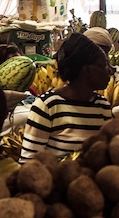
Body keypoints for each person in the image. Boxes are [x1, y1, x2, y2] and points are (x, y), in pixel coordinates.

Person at [20, 32, 113, 161]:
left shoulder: (103, 107)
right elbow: (28, 162)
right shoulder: (47, 106)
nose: (110, 70)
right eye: (103, 65)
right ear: (86, 70)